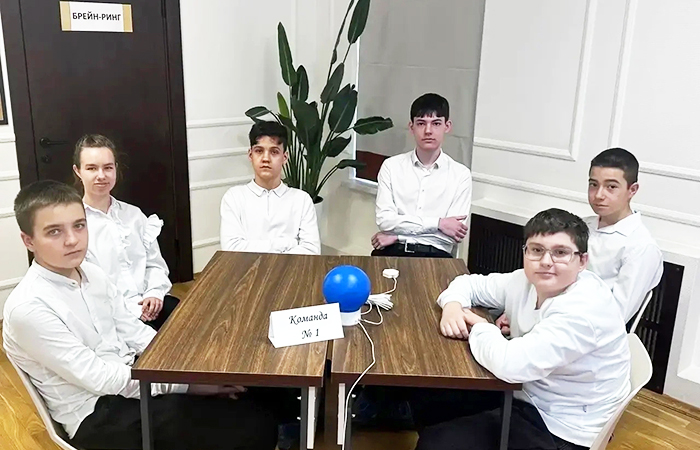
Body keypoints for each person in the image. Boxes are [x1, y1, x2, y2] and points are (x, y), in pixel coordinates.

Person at [3, 180, 277, 450]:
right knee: (251, 426)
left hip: (128, 376)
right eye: (54, 232)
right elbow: (100, 378)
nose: (72, 240)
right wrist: (184, 385)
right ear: (29, 240)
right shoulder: (29, 308)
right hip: (95, 413)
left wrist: (189, 370)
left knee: (244, 390)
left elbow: (133, 330)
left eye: (79, 225)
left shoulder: (92, 273)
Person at [423, 208, 631, 450]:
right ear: (525, 252)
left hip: (561, 426)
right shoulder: (525, 280)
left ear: (582, 261)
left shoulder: (585, 309)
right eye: (537, 250)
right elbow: (470, 283)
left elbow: (510, 365)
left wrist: (482, 327)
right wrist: (452, 305)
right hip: (526, 391)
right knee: (431, 402)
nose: (546, 261)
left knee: (436, 443)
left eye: (560, 253)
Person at [496, 148, 663, 335]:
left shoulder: (640, 247)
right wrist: (516, 312)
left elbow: (615, 316)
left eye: (611, 187)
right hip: (545, 314)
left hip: (579, 332)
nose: (599, 195)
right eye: (593, 184)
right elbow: (546, 277)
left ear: (632, 190)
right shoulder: (582, 225)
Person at [73, 134, 179, 330]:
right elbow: (87, 287)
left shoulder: (134, 215)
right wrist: (129, 312)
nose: (101, 175)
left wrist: (154, 293)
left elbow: (155, 264)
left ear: (115, 168)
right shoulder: (75, 225)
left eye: (108, 167)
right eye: (91, 168)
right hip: (111, 317)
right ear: (78, 171)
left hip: (149, 303)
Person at [371, 93, 472, 258]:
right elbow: (385, 221)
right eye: (421, 123)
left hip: (436, 256)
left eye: (436, 123)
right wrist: (439, 223)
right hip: (392, 251)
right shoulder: (391, 167)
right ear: (411, 127)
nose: (428, 131)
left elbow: (452, 235)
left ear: (447, 126)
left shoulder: (461, 175)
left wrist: (398, 235)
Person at [220, 120, 320, 254]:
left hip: (290, 268)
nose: (266, 158)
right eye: (259, 151)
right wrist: (287, 243)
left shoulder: (302, 200)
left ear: (284, 157)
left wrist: (252, 247)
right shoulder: (234, 197)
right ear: (250, 155)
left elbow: (312, 251)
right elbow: (231, 249)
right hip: (247, 268)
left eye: (274, 152)